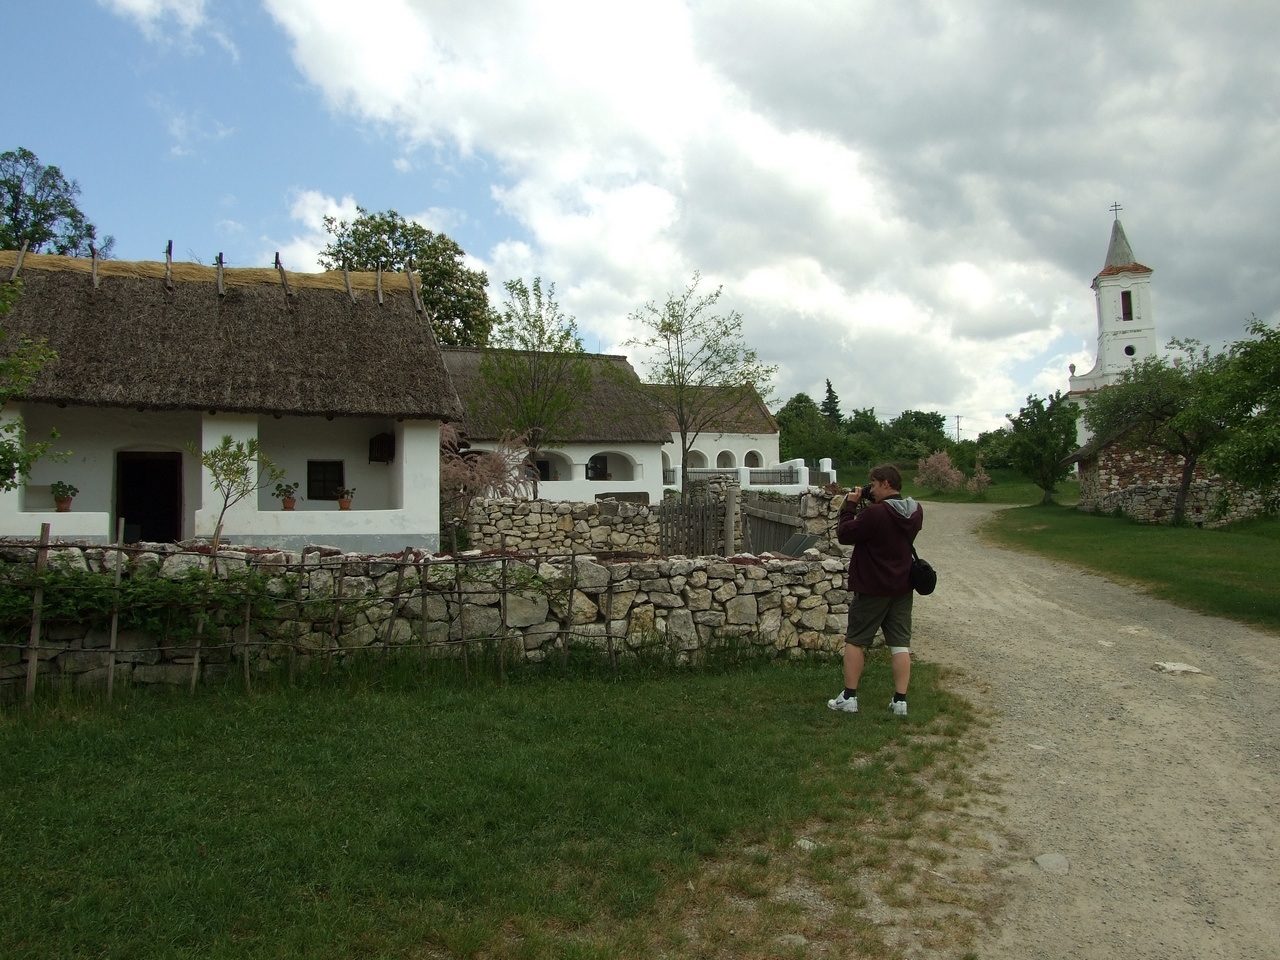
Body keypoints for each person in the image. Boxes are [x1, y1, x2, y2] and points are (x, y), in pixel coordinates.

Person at [827, 464, 923, 716]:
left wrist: (850, 506)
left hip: (872, 585)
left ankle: (849, 697)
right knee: (900, 643)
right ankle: (900, 701)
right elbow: (890, 526)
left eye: (875, 484)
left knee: (856, 641)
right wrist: (870, 500)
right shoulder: (915, 511)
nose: (873, 488)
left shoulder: (875, 514)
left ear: (886, 484)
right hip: (902, 586)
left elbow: (845, 534)